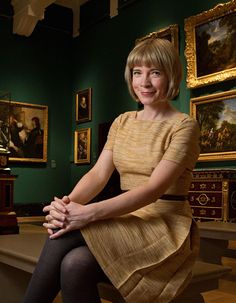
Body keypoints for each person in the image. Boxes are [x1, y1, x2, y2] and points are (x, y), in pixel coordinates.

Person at [23, 38, 200, 303]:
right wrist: (67, 204)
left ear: (171, 75)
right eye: (137, 72)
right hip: (126, 219)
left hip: (164, 228)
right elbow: (97, 174)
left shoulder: (184, 126)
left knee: (61, 239)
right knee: (75, 264)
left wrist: (88, 214)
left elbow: (153, 190)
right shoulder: (123, 121)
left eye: (155, 72)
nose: (144, 82)